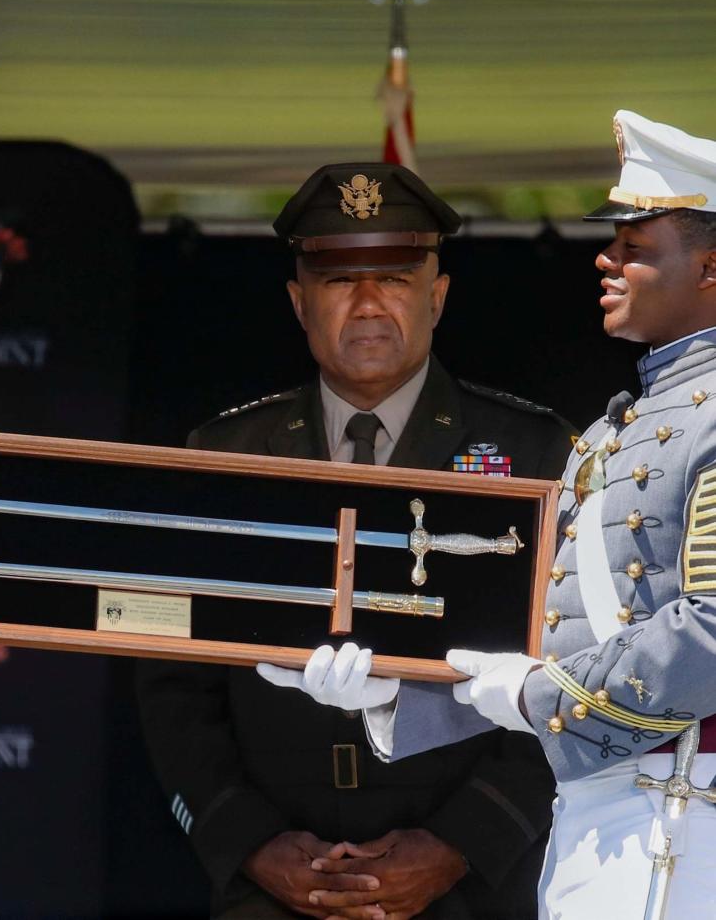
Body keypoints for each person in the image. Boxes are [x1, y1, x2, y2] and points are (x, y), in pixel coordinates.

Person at [271, 113, 716, 918]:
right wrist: (390, 695)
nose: (606, 258)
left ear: (712, 266)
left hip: (689, 817)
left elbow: (712, 631)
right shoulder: (618, 425)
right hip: (604, 818)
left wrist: (537, 696)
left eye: (637, 246)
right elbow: (557, 635)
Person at [137, 163, 574, 919]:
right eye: (340, 282)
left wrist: (464, 843)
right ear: (298, 303)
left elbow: (573, 672)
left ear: (436, 298)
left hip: (473, 887)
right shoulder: (225, 453)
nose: (368, 304)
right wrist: (248, 842)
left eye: (395, 278)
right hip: (273, 885)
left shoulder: (533, 452)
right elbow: (176, 683)